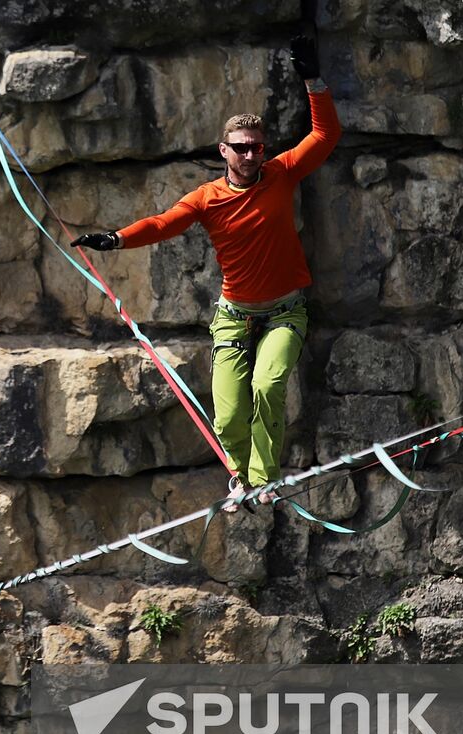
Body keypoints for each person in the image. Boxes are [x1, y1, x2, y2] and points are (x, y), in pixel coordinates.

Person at [72, 36, 340, 512]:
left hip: (284, 312)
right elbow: (161, 224)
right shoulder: (206, 198)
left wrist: (313, 82)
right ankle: (240, 480)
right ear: (224, 150)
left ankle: (264, 479)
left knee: (268, 386)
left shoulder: (281, 173)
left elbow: (324, 137)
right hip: (235, 316)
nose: (252, 155)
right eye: (241, 148)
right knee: (230, 415)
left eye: (258, 147)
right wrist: (114, 239)